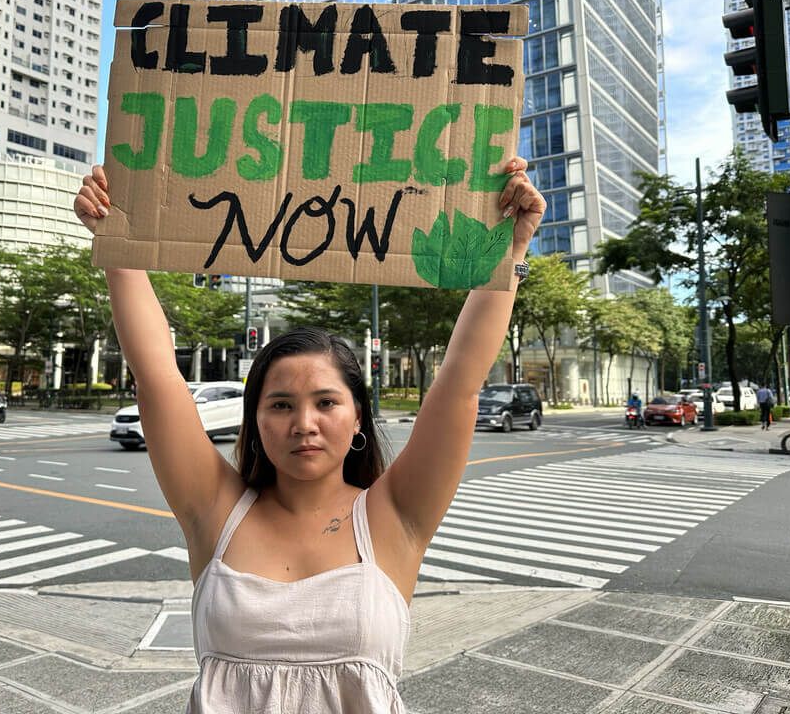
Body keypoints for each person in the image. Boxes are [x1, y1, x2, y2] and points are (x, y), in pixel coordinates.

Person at [74, 159, 544, 713]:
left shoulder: (394, 517)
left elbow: (460, 384)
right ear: (255, 421)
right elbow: (157, 380)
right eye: (280, 405)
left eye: (326, 402)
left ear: (358, 417)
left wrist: (508, 253)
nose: (304, 423)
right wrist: (117, 247)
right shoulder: (215, 511)